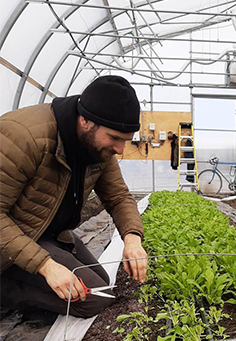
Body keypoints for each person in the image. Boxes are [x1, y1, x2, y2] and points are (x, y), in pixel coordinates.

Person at [0, 75, 148, 318]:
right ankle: (7, 289)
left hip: (49, 233)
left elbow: (119, 197)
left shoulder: (96, 148)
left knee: (102, 286)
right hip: (13, 240)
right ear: (85, 121)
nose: (119, 150)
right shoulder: (23, 137)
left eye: (125, 141)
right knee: (91, 299)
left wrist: (132, 238)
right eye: (114, 138)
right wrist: (46, 267)